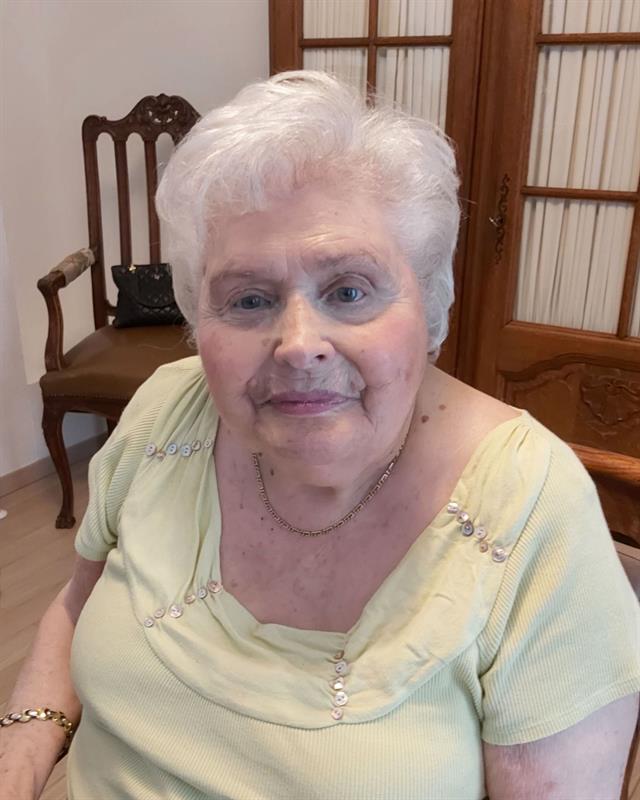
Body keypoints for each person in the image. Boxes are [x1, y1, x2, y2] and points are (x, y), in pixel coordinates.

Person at [2, 70, 639, 800]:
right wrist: (23, 746)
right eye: (249, 299)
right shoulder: (164, 412)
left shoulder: (533, 508)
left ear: (430, 306)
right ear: (197, 318)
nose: (299, 344)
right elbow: (75, 605)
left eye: (349, 290)